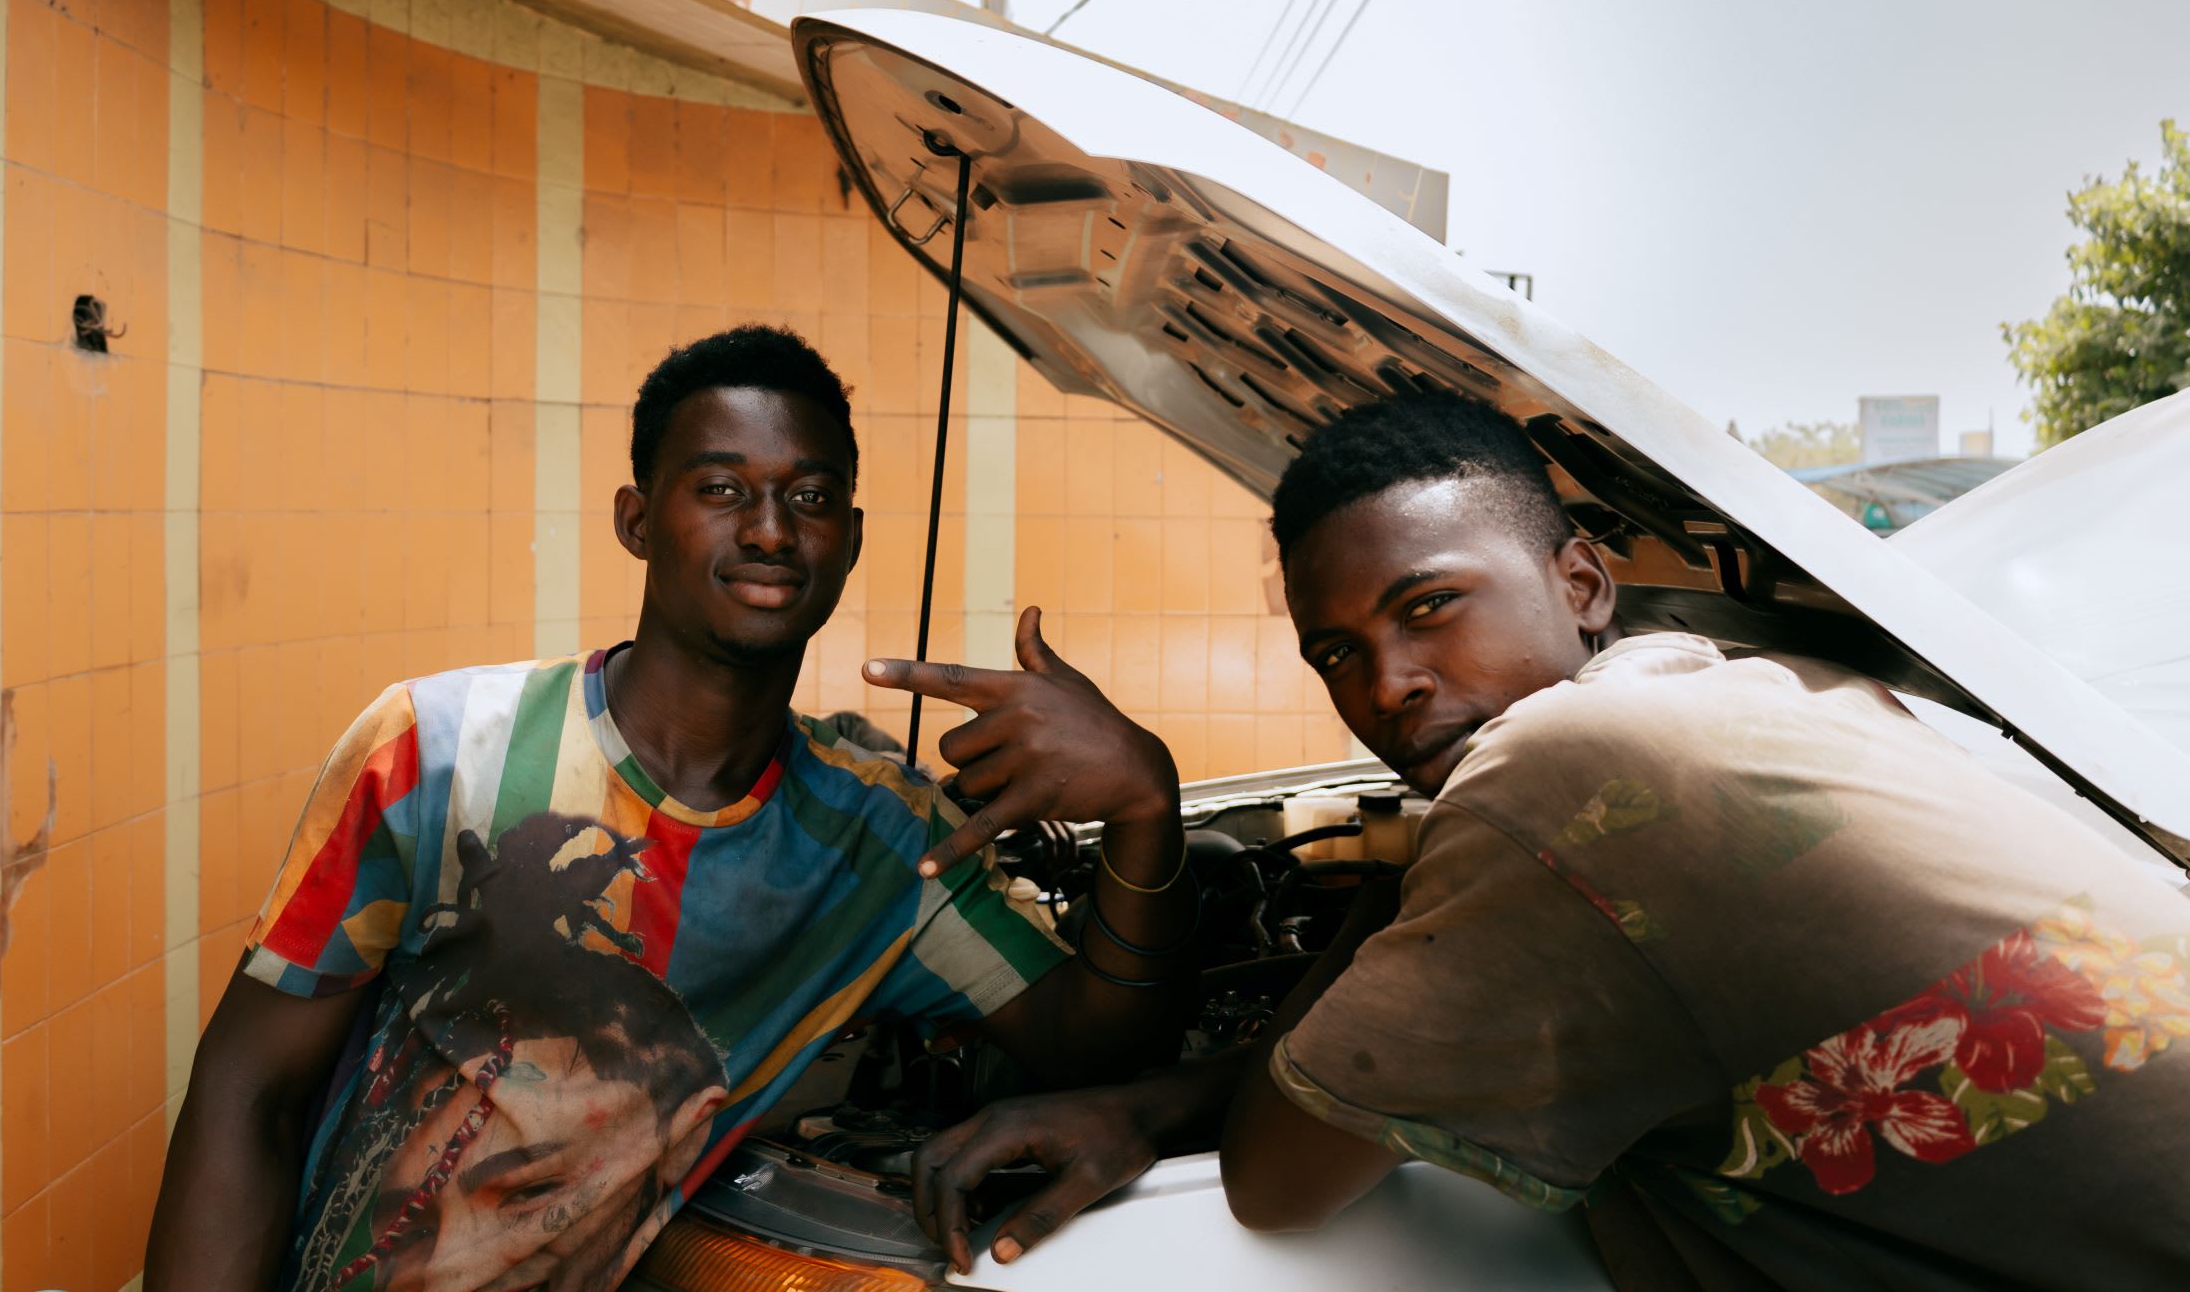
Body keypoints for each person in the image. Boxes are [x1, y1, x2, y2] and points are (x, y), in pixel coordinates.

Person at [885, 393, 2190, 1289]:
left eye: (1431, 607)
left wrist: (1387, 874)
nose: (1387, 683)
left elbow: (1278, 1184)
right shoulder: (1739, 683)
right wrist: (1159, 1097)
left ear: (1581, 585)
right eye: (1337, 651)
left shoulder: (1556, 772)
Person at [146, 325, 1202, 1292]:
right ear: (638, 519)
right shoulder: (432, 748)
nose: (774, 530)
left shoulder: (878, 841)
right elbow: (249, 1094)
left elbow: (1095, 1045)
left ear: (852, 533)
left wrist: (1146, 804)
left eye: (812, 496)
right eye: (722, 488)